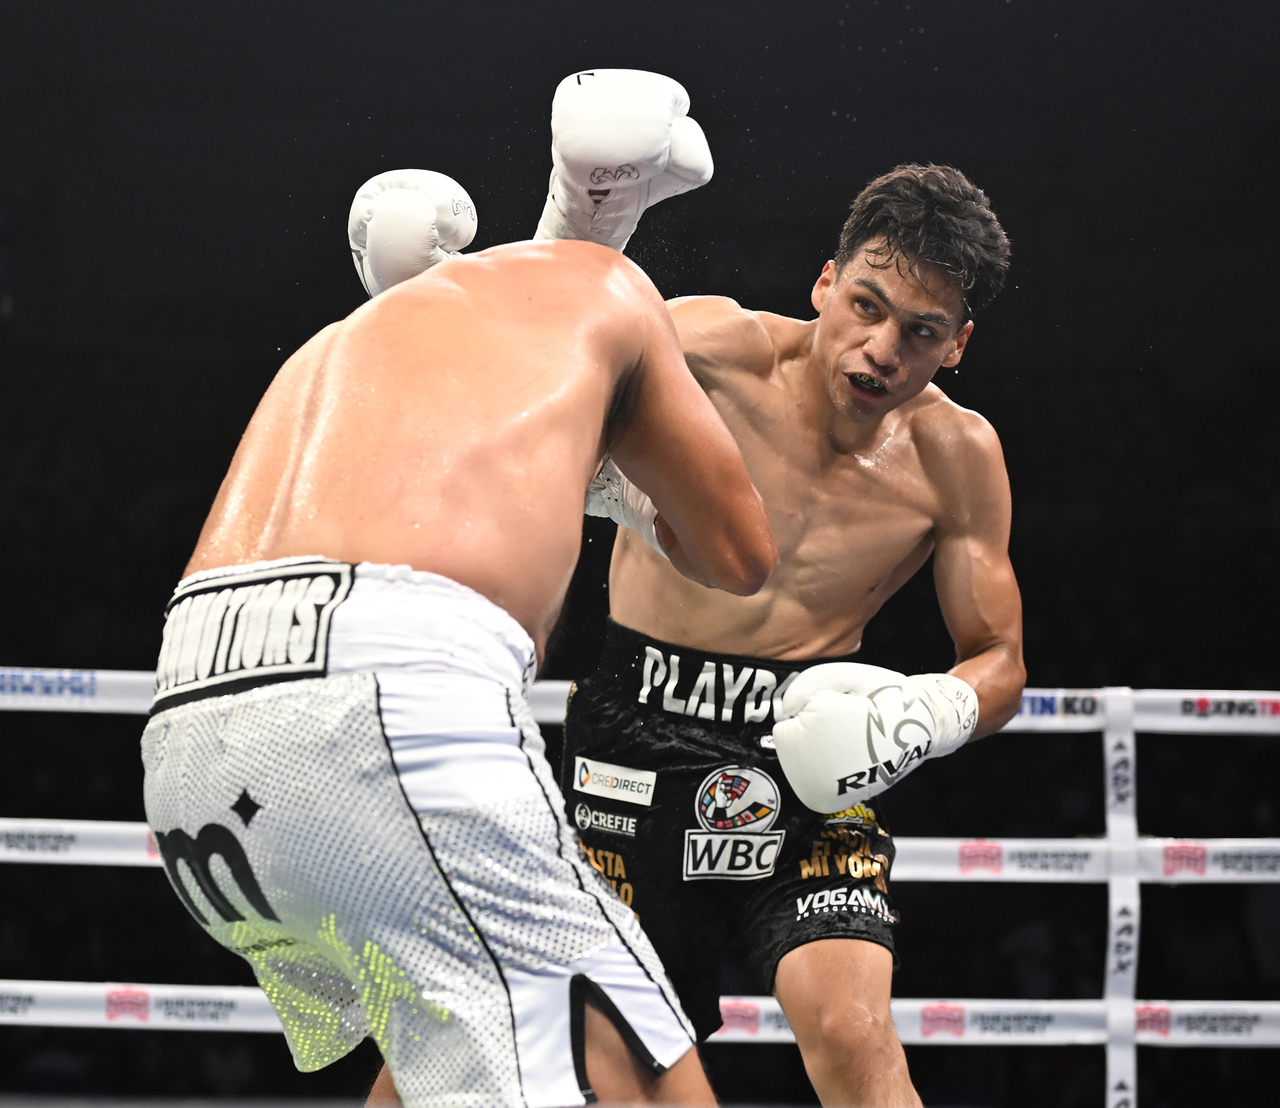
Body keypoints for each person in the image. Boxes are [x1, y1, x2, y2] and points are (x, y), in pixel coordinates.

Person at [357, 69, 1025, 1107]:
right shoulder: (709, 348)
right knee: (482, 1028)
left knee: (853, 1035)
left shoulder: (958, 458)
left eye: (922, 331)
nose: (881, 350)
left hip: (801, 767)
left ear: (959, 344)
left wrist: (934, 707)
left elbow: (999, 660)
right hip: (630, 746)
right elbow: (535, 360)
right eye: (867, 306)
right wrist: (428, 291)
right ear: (823, 282)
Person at [140, 226, 777, 1108]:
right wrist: (615, 482)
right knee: (625, 1051)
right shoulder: (612, 289)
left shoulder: (342, 348)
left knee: (459, 1030)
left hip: (192, 735)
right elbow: (743, 556)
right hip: (383, 706)